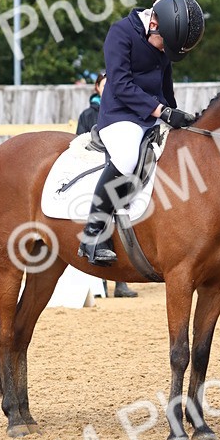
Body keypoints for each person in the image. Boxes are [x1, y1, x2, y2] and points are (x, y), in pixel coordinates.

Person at [77, 0, 205, 266]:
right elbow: (121, 84)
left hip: (153, 115)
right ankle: (92, 233)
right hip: (120, 115)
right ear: (154, 24)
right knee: (126, 159)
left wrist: (174, 114)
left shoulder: (164, 39)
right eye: (163, 46)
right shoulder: (120, 33)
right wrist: (161, 111)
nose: (162, 52)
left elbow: (165, 87)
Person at [76, 73, 137, 298]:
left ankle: (120, 282)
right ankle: (99, 280)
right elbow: (81, 139)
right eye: (103, 84)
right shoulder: (89, 114)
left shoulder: (123, 110)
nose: (107, 88)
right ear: (97, 88)